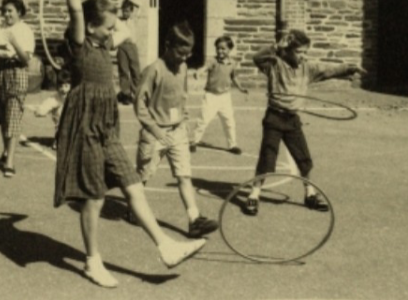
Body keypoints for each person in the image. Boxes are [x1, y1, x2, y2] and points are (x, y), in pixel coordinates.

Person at [51, 0, 205, 288]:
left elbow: (125, 29)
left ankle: (166, 246)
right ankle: (92, 261)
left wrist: (114, 17)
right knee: (94, 198)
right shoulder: (80, 45)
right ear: (90, 28)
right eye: (105, 27)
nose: (111, 31)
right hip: (85, 127)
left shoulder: (105, 45)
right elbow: (76, 8)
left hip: (107, 129)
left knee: (133, 184)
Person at [242, 29, 365, 216]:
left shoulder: (307, 68)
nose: (303, 56)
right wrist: (275, 47)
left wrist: (349, 68)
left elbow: (327, 70)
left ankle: (310, 194)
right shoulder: (274, 64)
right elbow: (257, 58)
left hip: (292, 120)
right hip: (274, 117)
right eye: (300, 52)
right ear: (288, 50)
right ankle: (254, 195)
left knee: (304, 159)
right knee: (267, 158)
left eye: (305, 52)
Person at [133, 22, 220, 239]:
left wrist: (185, 122)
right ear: (167, 45)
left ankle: (194, 219)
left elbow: (182, 96)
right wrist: (153, 129)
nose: (184, 58)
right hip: (155, 134)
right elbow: (139, 104)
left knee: (184, 175)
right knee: (143, 175)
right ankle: (133, 207)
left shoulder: (182, 68)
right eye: (181, 53)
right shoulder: (154, 70)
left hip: (177, 130)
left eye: (188, 54)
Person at [0, 0, 35, 177]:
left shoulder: (25, 30)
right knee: (2, 115)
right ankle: (6, 150)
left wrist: (14, 43)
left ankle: (10, 162)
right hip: (0, 71)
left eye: (10, 11)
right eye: (4, 11)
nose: (7, 15)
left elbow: (26, 59)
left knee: (13, 114)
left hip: (18, 71)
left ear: (19, 12)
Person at [189, 34, 248, 154]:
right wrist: (198, 73)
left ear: (229, 50)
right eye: (218, 48)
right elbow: (204, 68)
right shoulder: (213, 61)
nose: (220, 51)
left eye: (223, 48)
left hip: (225, 97)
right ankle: (194, 141)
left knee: (229, 121)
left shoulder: (232, 63)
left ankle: (232, 144)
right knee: (203, 120)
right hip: (211, 96)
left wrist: (241, 88)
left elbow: (234, 77)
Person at [33, 67, 70, 150]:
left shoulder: (75, 96)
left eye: (66, 86)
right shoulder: (56, 98)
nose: (63, 89)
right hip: (61, 125)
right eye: (61, 86)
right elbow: (46, 104)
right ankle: (59, 139)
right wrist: (41, 111)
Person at [114, 0, 141, 105]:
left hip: (132, 46)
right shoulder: (119, 21)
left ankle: (137, 93)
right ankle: (126, 94)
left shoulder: (134, 20)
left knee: (135, 70)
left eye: (128, 11)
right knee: (123, 70)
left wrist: (133, 3)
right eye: (124, 11)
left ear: (131, 11)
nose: (126, 13)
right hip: (122, 46)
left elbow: (140, 8)